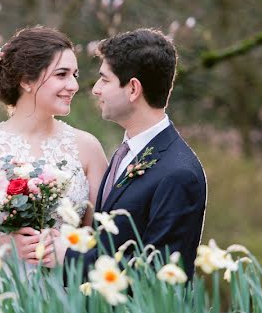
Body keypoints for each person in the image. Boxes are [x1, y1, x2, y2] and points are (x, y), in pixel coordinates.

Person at [0, 26, 108, 269]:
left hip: (63, 289)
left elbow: (101, 237)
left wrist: (65, 246)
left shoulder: (88, 148)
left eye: (75, 75)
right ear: (26, 80)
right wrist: (1, 246)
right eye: (62, 74)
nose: (73, 85)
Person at [56, 28, 207, 279]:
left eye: (105, 80)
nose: (95, 89)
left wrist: (68, 258)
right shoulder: (127, 152)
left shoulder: (178, 173)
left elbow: (158, 272)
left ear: (133, 89)